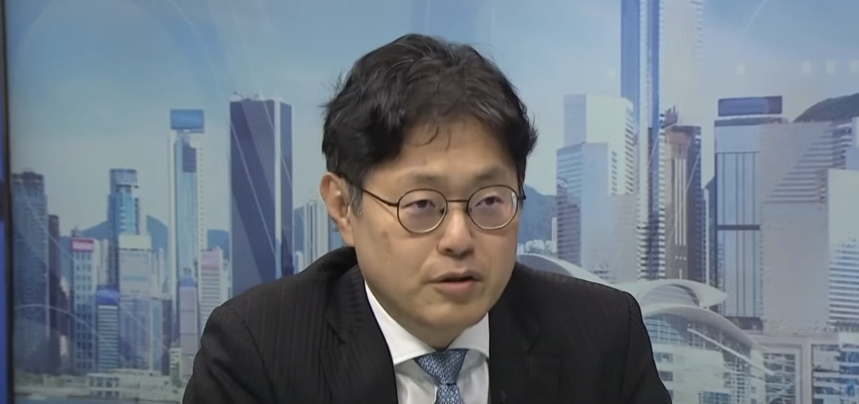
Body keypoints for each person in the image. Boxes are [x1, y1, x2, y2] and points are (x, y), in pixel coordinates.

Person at [183, 33, 670, 404]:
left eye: (489, 201)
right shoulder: (258, 350)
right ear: (342, 207)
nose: (459, 238)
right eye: (421, 205)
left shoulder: (603, 336)